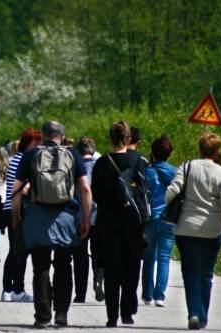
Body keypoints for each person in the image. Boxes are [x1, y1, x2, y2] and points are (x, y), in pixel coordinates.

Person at [12, 121, 92, 328]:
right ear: (62, 136)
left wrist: (16, 217)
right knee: (64, 265)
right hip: (65, 218)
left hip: (37, 217)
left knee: (40, 267)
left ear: (43, 136)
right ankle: (61, 314)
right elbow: (84, 189)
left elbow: (16, 189)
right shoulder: (73, 154)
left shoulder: (30, 155)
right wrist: (85, 218)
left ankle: (43, 316)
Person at [166, 132, 221, 330]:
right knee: (206, 274)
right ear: (218, 151)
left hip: (186, 228)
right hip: (213, 230)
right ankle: (202, 316)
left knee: (190, 272)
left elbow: (171, 192)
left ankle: (194, 312)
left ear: (200, 148)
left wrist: (170, 206)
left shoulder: (187, 167)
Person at [91, 121, 148, 327]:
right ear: (129, 139)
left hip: (108, 222)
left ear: (111, 138)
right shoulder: (138, 160)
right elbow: (143, 191)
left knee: (112, 269)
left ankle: (112, 316)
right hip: (132, 222)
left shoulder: (102, 162)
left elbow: (95, 194)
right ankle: (127, 313)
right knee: (132, 268)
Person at [1, 128, 41, 303]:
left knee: (14, 250)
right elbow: (20, 188)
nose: (38, 145)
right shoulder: (24, 159)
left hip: (11, 208)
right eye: (36, 142)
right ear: (28, 143)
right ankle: (16, 289)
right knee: (20, 252)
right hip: (18, 209)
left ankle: (8, 289)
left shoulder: (16, 158)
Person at [141, 135, 177, 307]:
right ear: (169, 153)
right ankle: (159, 296)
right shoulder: (175, 172)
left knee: (148, 258)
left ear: (152, 153)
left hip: (149, 220)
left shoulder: (146, 172)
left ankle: (147, 296)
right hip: (169, 220)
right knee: (164, 258)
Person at [71, 136, 103, 303]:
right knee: (98, 253)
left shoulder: (74, 166)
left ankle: (80, 294)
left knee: (80, 257)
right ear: (92, 149)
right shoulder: (101, 165)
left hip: (78, 216)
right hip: (98, 217)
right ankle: (98, 280)